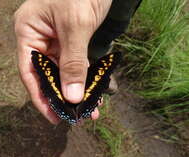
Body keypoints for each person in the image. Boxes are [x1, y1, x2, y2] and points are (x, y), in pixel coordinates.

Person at [14, 0, 142, 124]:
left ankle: (93, 58)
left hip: (123, 6)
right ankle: (89, 64)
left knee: (115, 24)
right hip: (75, 95)